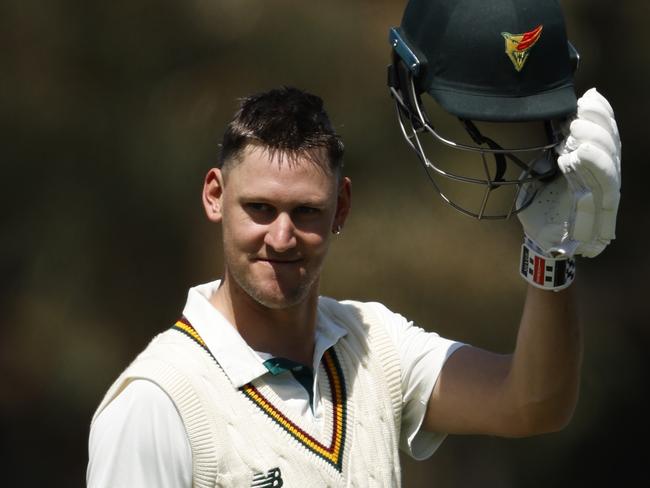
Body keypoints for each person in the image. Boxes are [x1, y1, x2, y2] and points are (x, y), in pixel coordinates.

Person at [87, 1, 621, 487]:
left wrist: (553, 256)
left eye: (306, 212)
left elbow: (533, 404)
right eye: (260, 209)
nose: (281, 236)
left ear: (341, 207)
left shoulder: (373, 345)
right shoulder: (157, 404)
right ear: (214, 196)